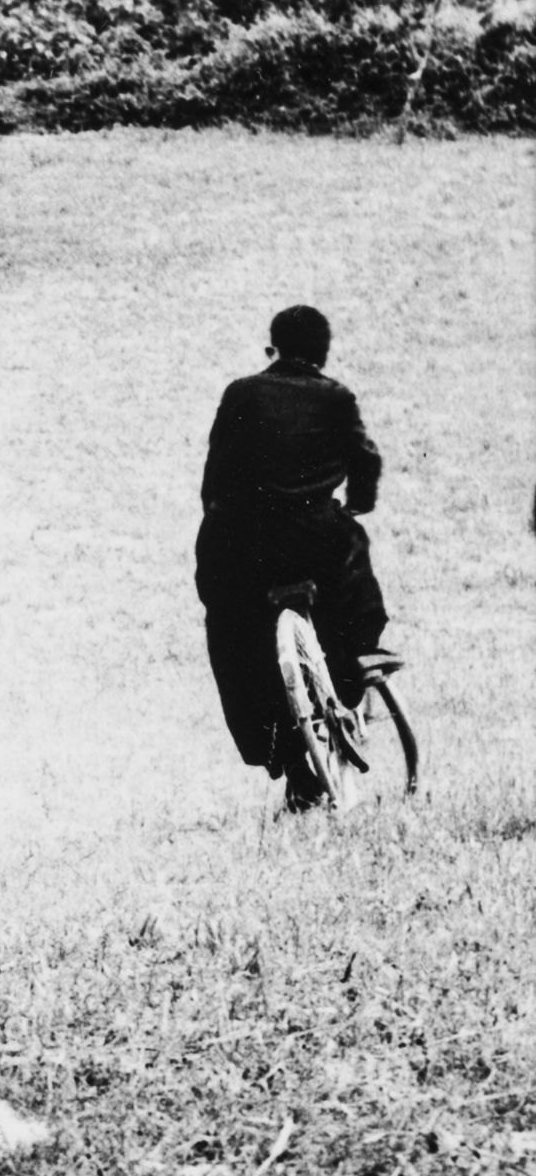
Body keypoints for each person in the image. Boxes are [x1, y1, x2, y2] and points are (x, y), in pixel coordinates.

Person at [195, 305, 395, 807]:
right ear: (323, 354)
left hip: (241, 544)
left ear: (274, 350)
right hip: (314, 540)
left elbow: (215, 475)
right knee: (350, 579)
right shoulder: (336, 397)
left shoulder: (241, 393)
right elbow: (366, 460)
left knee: (235, 637)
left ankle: (286, 758)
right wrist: (358, 502)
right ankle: (360, 658)